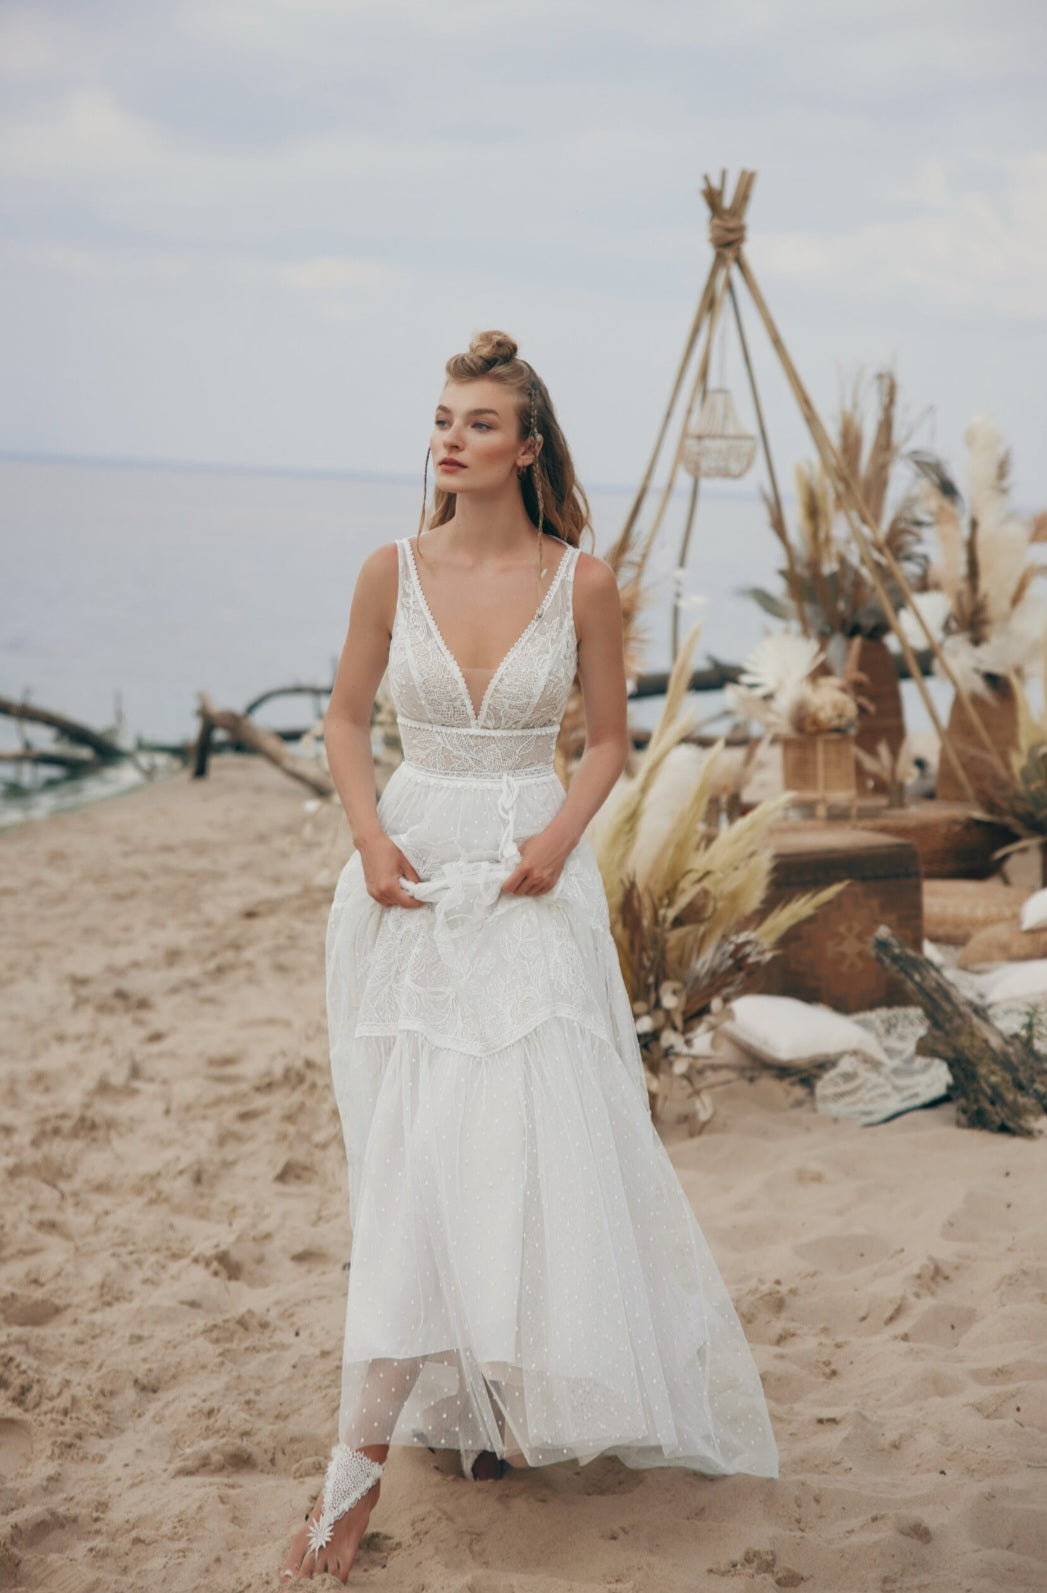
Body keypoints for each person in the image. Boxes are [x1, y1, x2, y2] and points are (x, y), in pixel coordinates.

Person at [280, 331, 778, 1583]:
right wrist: (369, 836)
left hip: (528, 880)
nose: (450, 437)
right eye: (443, 418)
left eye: (479, 422)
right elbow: (343, 718)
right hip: (406, 880)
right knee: (410, 1156)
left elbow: (607, 742)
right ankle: (358, 1472)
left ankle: (491, 1403)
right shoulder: (388, 570)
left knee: (519, 1143)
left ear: (528, 446)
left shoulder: (584, 583)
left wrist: (560, 844)